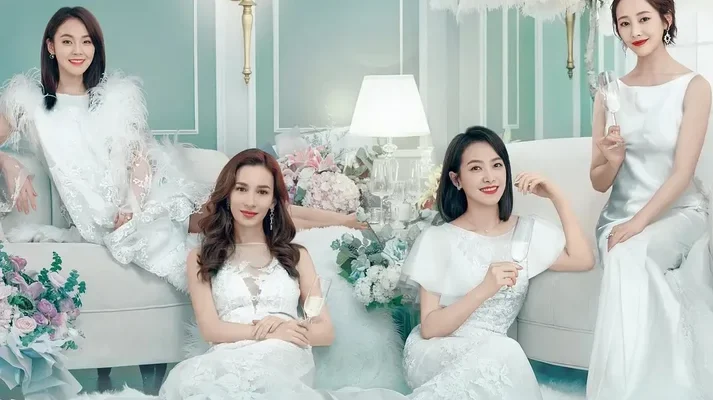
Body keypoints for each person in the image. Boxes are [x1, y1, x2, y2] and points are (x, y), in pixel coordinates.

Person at [0, 6, 363, 395]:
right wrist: (8, 163)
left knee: (233, 211)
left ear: (96, 47)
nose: (78, 51)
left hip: (139, 200)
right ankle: (339, 219)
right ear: (50, 46)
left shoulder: (114, 100)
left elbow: (138, 159)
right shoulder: (28, 103)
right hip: (97, 216)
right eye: (68, 41)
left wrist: (133, 205)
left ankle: (341, 220)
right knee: (223, 214)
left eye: (86, 42)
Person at [77, 149, 409, 399]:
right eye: (241, 189)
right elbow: (211, 329)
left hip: (284, 361)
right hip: (224, 359)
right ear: (228, 194)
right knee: (202, 386)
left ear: (273, 202)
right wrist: (263, 332)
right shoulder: (201, 257)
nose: (250, 201)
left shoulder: (297, 257)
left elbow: (324, 331)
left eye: (262, 192)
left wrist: (287, 329)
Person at [398, 126, 595, 400]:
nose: (489, 177)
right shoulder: (438, 239)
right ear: (456, 179)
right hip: (437, 351)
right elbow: (430, 328)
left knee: (503, 351)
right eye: (476, 168)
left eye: (497, 165)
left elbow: (583, 259)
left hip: (495, 353)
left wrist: (556, 196)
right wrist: (484, 289)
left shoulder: (525, 233)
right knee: (507, 350)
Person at [586, 0, 713, 398]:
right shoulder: (609, 92)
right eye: (624, 23)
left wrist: (637, 224)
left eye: (644, 19)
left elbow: (682, 173)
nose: (635, 31)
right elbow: (597, 181)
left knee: (628, 252)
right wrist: (612, 160)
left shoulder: (695, 87)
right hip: (618, 215)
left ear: (666, 19)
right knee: (623, 253)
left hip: (680, 213)